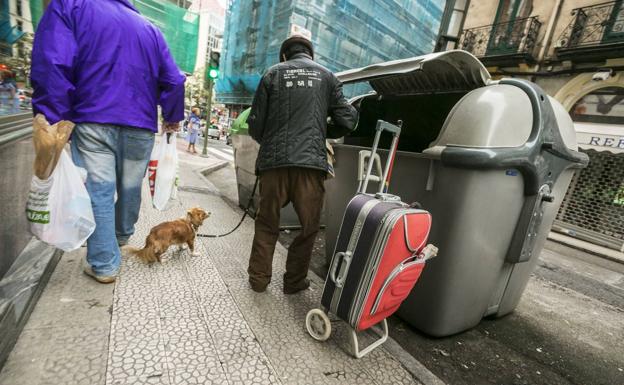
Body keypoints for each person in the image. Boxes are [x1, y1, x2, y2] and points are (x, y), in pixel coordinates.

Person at [31, 0, 185, 284]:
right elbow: (174, 80)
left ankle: (104, 263)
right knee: (129, 186)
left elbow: (53, 61)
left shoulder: (69, 6)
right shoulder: (150, 28)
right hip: (139, 123)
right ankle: (119, 237)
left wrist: (52, 117)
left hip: (93, 117)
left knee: (98, 191)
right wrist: (173, 117)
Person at [247, 34, 358, 294]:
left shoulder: (272, 74)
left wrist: (273, 141)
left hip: (273, 167)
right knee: (308, 228)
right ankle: (293, 282)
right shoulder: (327, 76)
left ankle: (258, 280)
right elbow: (349, 120)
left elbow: (255, 124)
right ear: (310, 55)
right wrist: (321, 130)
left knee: (266, 224)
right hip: (310, 166)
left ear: (284, 56)